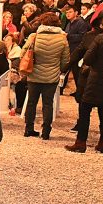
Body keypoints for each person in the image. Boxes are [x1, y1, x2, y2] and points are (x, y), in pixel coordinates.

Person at [65, 11, 103, 154]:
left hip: (97, 79)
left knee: (85, 109)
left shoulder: (100, 38)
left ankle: (80, 142)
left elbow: (88, 59)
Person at [21, 12, 69, 140]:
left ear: (42, 22)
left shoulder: (34, 36)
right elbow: (65, 60)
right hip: (52, 76)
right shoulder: (62, 38)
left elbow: (23, 54)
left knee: (31, 102)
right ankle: (46, 132)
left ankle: (28, 129)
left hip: (34, 74)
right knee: (48, 104)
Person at [62, 6, 90, 94]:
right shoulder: (69, 23)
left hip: (77, 51)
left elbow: (83, 37)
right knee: (66, 70)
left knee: (77, 73)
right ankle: (61, 89)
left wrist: (68, 36)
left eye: (70, 12)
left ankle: (80, 91)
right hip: (69, 49)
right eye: (66, 13)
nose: (68, 14)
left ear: (76, 13)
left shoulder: (81, 23)